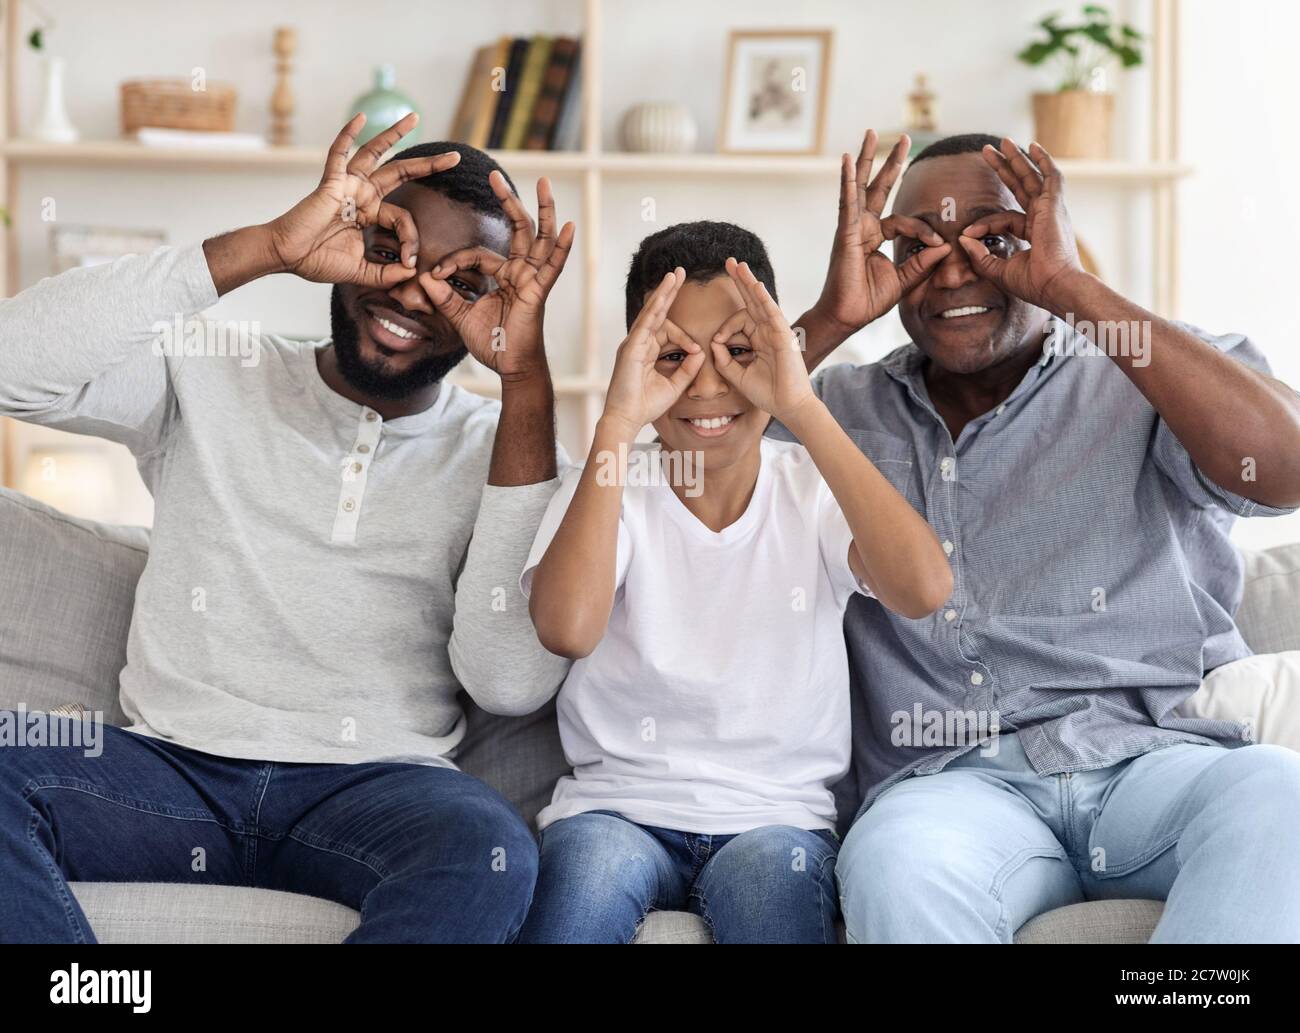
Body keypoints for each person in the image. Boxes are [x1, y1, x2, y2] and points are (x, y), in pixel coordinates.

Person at [0, 113, 573, 943]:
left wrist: (525, 376)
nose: (413, 293)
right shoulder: (214, 371)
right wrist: (267, 245)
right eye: (391, 248)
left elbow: (511, 683)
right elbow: (13, 363)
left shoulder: (507, 447)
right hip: (169, 767)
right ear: (347, 236)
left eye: (462, 281)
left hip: (377, 789)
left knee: (487, 849)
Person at [771, 130, 1300, 943]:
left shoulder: (1138, 372)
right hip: (948, 788)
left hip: (1148, 761)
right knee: (893, 863)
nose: (953, 270)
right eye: (919, 246)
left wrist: (1070, 286)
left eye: (995, 238)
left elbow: (1286, 466)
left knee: (1279, 792)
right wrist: (831, 318)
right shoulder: (832, 410)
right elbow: (677, 467)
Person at [508, 222, 951, 943]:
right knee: (577, 896)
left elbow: (925, 588)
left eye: (740, 352)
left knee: (773, 900)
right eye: (673, 356)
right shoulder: (613, 483)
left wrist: (800, 405)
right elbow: (567, 627)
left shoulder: (810, 488)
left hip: (776, 820)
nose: (709, 384)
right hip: (614, 810)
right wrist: (617, 423)